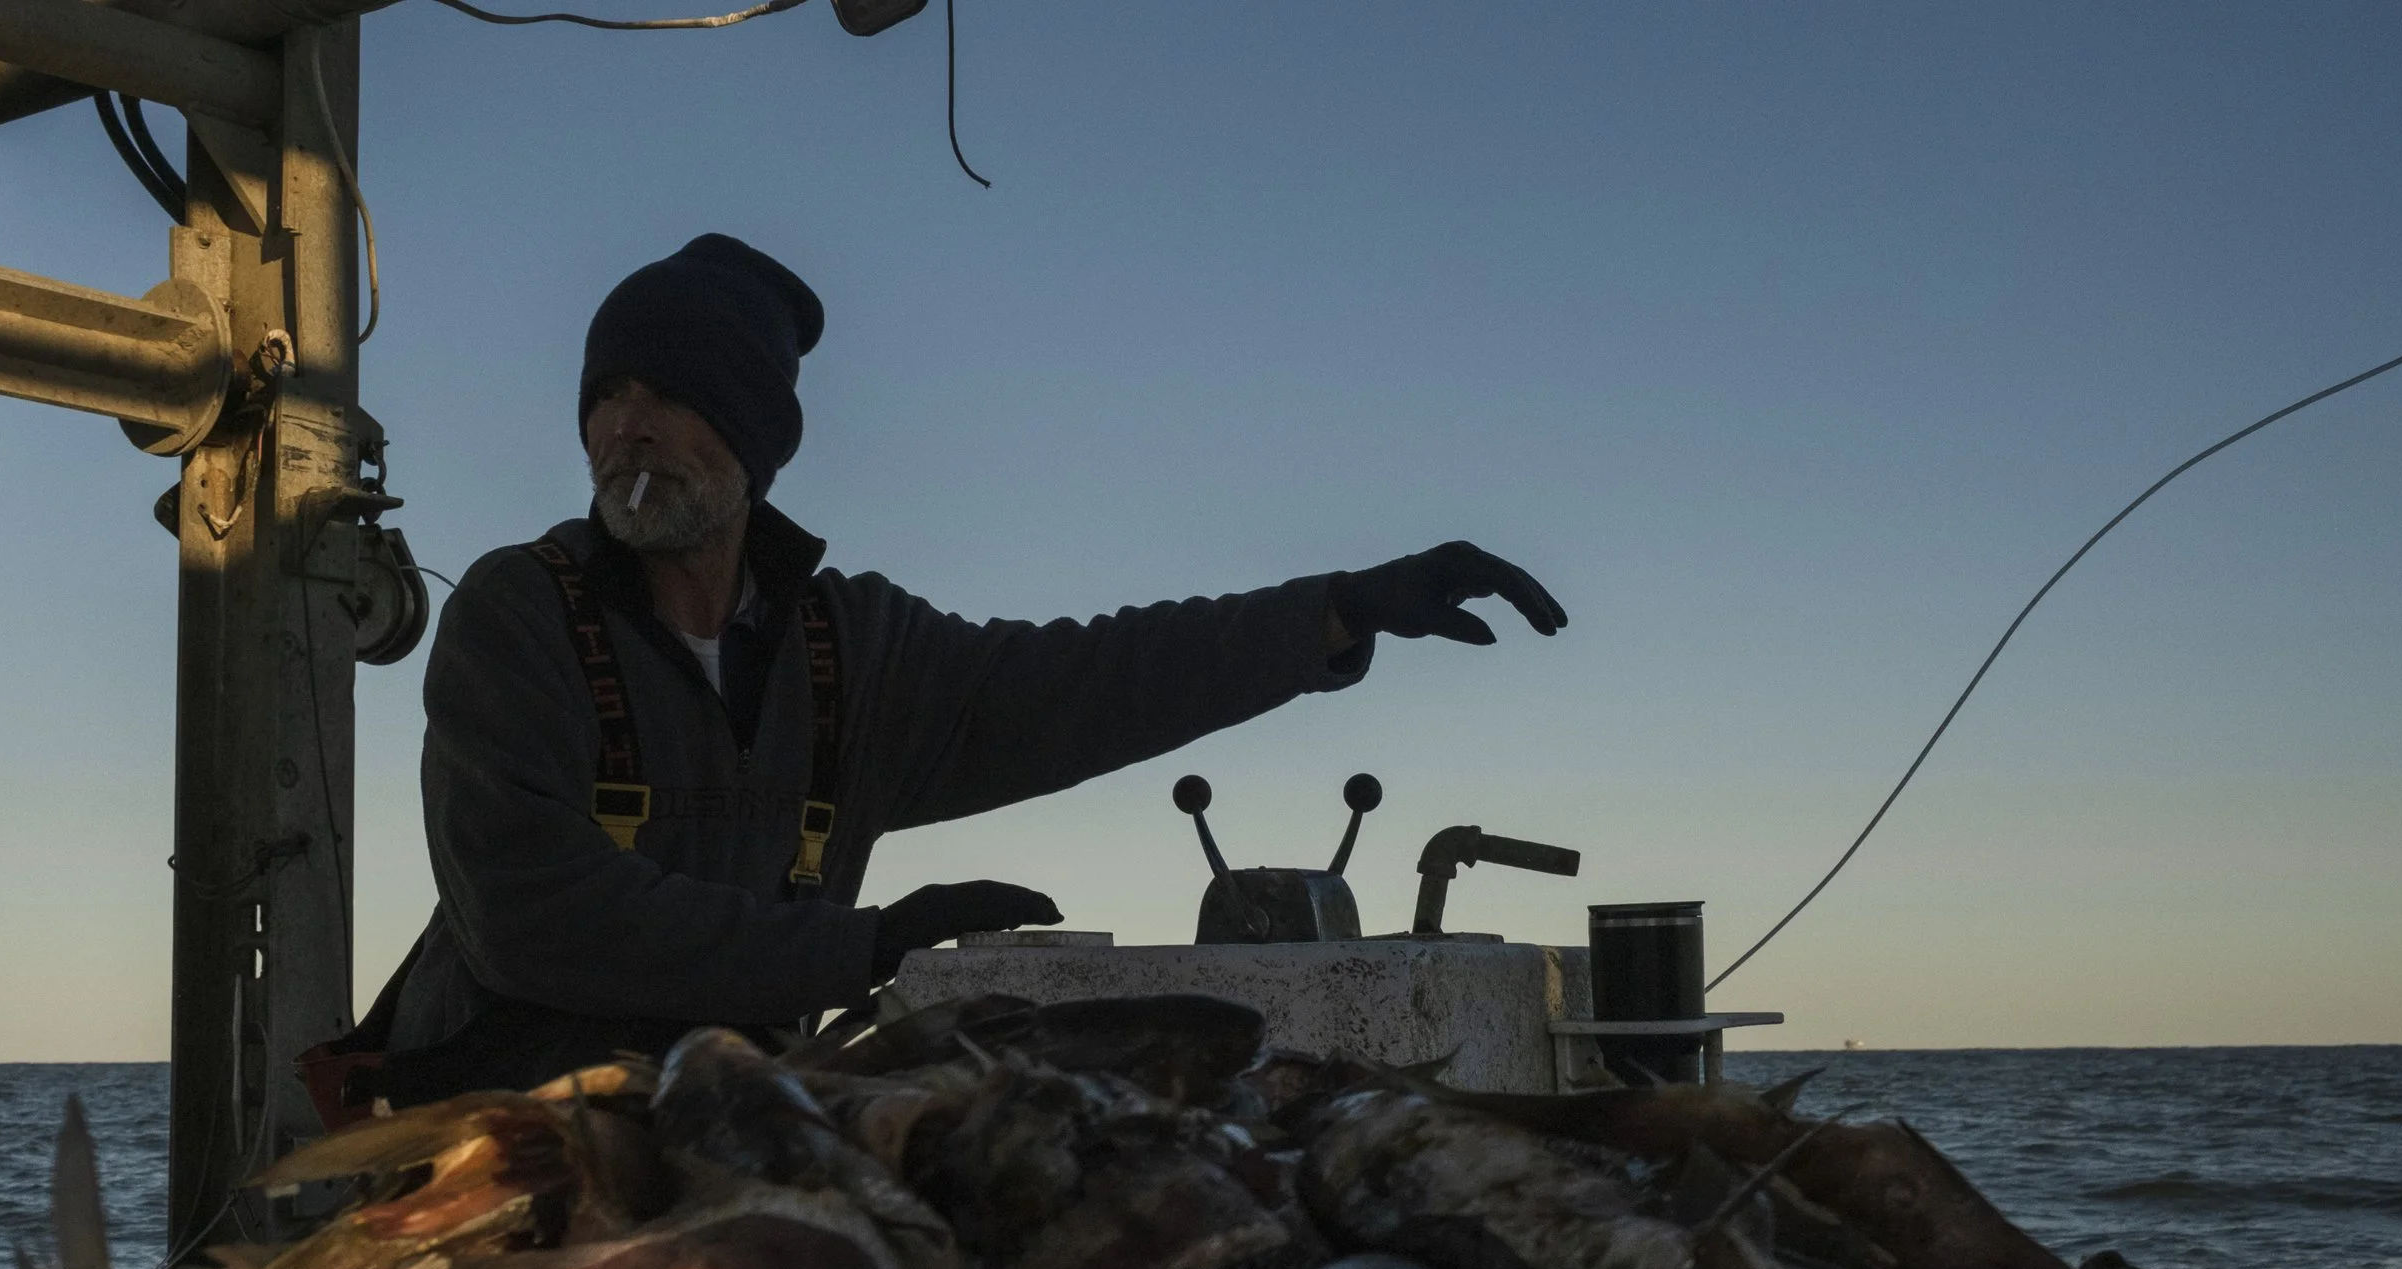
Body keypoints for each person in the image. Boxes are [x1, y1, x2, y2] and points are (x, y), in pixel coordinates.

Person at [329, 234, 1567, 1112]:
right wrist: (860, 947)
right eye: (608, 395)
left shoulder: (853, 649)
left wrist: (1335, 612)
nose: (626, 426)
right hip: (491, 1136)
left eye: (671, 394)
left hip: (727, 1122)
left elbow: (1084, 681)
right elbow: (532, 913)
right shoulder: (517, 614)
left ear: (755, 442)